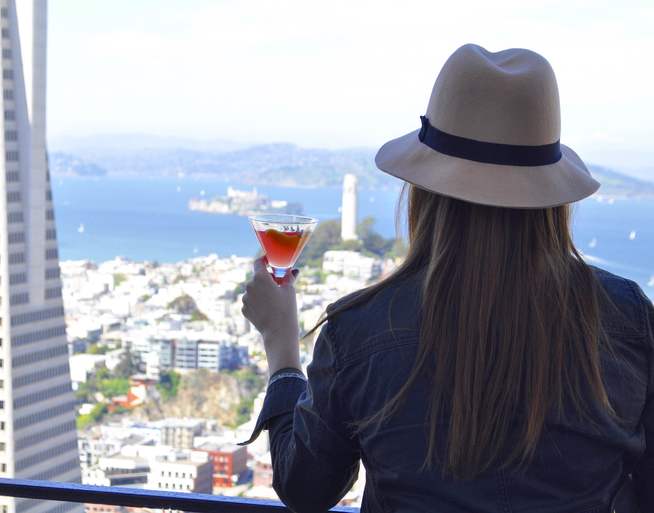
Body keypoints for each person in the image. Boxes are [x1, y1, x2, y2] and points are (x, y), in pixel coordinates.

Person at [239, 44, 652, 513]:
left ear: (426, 193)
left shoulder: (362, 330)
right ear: (551, 198)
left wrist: (281, 344)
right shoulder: (628, 320)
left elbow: (305, 489)